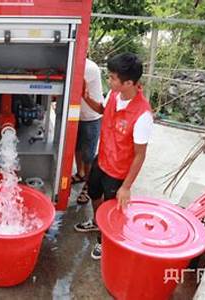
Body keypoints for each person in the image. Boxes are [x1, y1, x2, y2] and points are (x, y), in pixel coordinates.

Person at [73, 53, 154, 260]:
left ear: (128, 82)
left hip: (118, 172)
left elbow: (140, 156)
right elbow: (102, 109)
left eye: (112, 78)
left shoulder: (142, 115)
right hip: (102, 160)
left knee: (112, 207)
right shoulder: (114, 95)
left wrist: (126, 187)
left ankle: (104, 240)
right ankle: (97, 224)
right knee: (94, 193)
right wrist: (85, 97)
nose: (108, 81)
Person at [72, 58, 104, 205]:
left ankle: (87, 184)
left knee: (88, 155)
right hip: (76, 115)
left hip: (91, 117)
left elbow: (74, 86)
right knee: (76, 148)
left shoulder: (88, 68)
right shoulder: (75, 63)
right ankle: (80, 174)